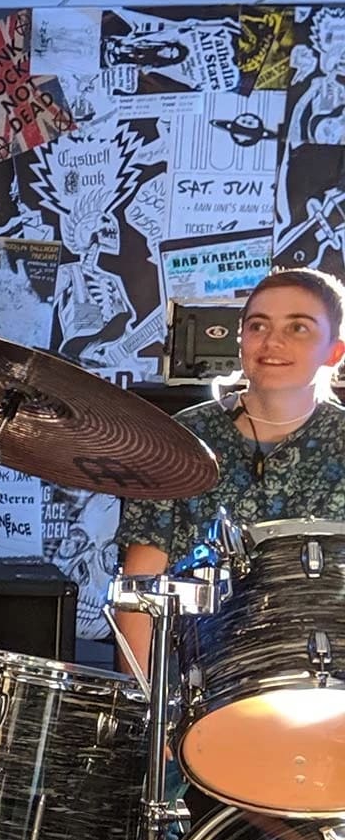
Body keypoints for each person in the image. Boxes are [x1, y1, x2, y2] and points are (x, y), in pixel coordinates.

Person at [115, 266, 345, 674]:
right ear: (240, 341)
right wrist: (151, 718)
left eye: (299, 328)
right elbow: (140, 594)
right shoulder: (181, 439)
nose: (273, 341)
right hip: (202, 692)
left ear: (334, 352)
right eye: (258, 325)